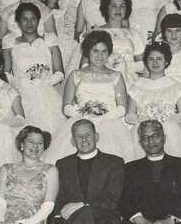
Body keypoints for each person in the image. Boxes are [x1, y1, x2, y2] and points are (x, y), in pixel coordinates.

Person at [43, 30, 134, 164]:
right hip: (81, 121)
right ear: (87, 52)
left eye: (104, 51)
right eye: (95, 51)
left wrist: (103, 117)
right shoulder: (76, 75)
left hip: (109, 124)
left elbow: (122, 107)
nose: (100, 55)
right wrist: (84, 115)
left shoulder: (116, 76)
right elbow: (66, 106)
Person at [3, 2, 66, 137]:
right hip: (21, 93)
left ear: (39, 20)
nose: (29, 22)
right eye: (24, 19)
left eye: (33, 18)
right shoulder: (10, 41)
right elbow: (6, 72)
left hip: (46, 93)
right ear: (18, 22)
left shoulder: (49, 39)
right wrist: (17, 82)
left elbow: (60, 72)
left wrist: (45, 82)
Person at [126, 42, 181, 159]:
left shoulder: (175, 86)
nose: (155, 63)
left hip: (170, 134)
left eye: (159, 59)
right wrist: (145, 119)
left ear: (166, 62)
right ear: (146, 62)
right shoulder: (137, 86)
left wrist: (165, 118)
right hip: (144, 133)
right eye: (151, 59)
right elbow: (129, 117)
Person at [83, 0, 146, 87]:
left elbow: (143, 66)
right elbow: (84, 64)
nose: (118, 9)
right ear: (106, 8)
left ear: (127, 9)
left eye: (122, 6)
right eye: (113, 6)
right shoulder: (97, 32)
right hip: (101, 79)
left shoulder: (133, 34)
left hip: (128, 80)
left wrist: (128, 66)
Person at [158, 13, 181, 84]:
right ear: (164, 33)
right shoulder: (157, 52)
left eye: (177, 31)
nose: (173, 35)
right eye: (169, 31)